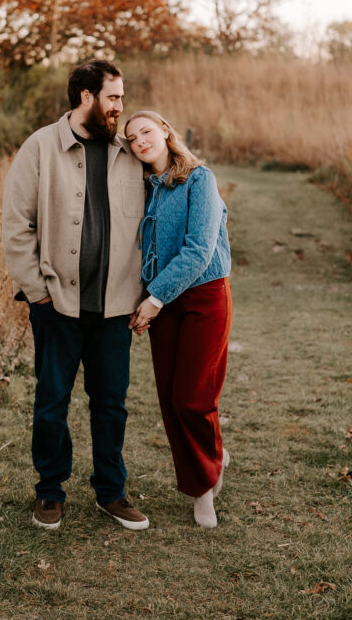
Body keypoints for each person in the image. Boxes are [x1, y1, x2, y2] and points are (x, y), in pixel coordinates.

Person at [1, 60, 150, 531]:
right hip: (56, 305)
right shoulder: (41, 147)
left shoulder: (128, 153)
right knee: (52, 403)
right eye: (113, 97)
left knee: (112, 405)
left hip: (115, 307)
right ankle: (49, 492)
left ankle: (111, 491)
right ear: (85, 96)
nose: (120, 107)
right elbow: (15, 225)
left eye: (121, 98)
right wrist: (37, 291)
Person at [124, 110, 232, 529]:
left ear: (165, 131)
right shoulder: (142, 188)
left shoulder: (199, 178)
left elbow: (199, 249)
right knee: (171, 400)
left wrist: (154, 299)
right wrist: (146, 299)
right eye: (131, 139)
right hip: (162, 302)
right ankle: (206, 469)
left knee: (194, 396)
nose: (139, 142)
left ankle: (205, 486)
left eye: (146, 131)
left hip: (204, 295)